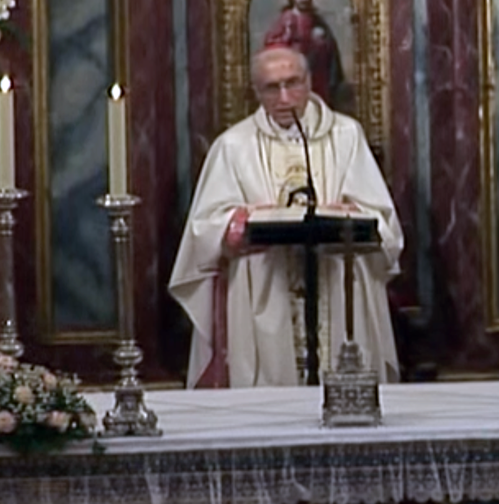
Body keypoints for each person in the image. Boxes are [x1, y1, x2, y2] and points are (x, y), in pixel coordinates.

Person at [169, 47, 402, 389]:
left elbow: (383, 221)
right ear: (256, 91)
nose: (284, 97)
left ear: (309, 83)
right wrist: (232, 227)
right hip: (266, 287)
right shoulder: (233, 146)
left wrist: (351, 214)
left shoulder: (346, 135)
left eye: (292, 84)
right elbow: (204, 228)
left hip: (337, 284)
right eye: (271, 87)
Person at [262, 0, 350, 110]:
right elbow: (271, 41)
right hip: (292, 66)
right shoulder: (286, 18)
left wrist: (322, 42)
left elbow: (329, 43)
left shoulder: (316, 19)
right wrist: (287, 40)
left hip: (316, 68)